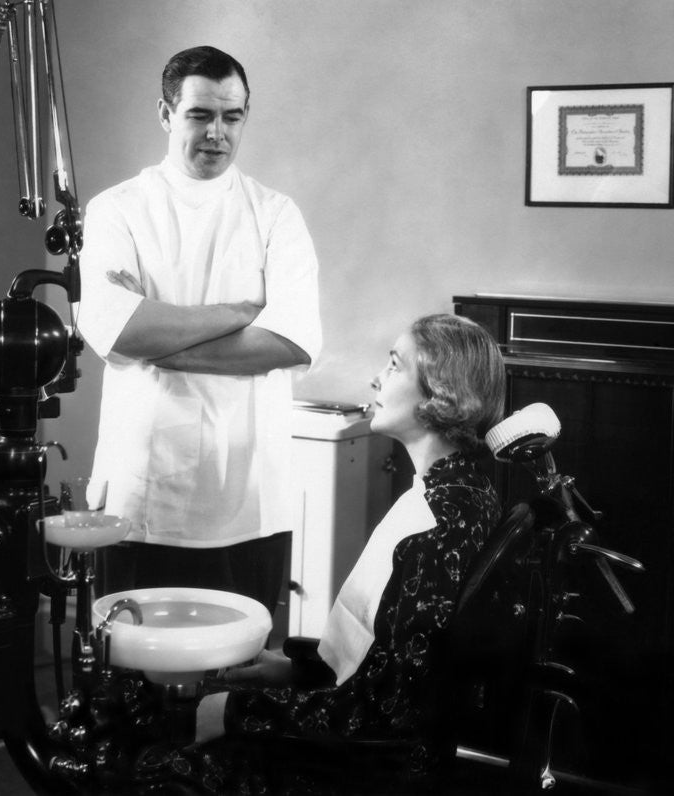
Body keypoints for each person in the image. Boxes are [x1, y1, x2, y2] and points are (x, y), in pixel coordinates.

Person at [133, 313, 507, 794]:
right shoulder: (463, 491)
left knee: (148, 744)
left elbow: (387, 718)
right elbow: (385, 664)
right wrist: (295, 668)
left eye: (394, 365)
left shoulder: (436, 532)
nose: (377, 377)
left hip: (363, 772)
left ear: (440, 392)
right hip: (365, 742)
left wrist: (231, 711)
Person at [77, 46, 321, 614]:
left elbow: (288, 341)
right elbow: (122, 333)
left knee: (236, 684)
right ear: (166, 115)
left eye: (232, 117)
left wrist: (165, 343)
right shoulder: (118, 210)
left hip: (249, 497)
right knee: (135, 679)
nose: (217, 133)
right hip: (143, 492)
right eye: (199, 115)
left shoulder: (276, 214)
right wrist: (242, 311)